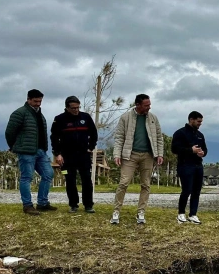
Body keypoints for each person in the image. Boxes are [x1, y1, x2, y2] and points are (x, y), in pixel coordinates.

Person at [110, 94, 164, 225]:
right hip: (130, 155)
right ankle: (116, 211)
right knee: (124, 183)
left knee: (146, 184)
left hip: (148, 156)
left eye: (149, 105)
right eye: (146, 105)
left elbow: (159, 137)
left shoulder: (153, 118)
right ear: (138, 105)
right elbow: (119, 137)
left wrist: (160, 154)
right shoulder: (125, 118)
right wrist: (117, 154)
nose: (149, 107)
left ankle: (141, 212)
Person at [5, 88, 56, 215]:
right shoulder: (19, 113)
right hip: (26, 151)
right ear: (28, 99)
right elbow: (9, 132)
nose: (38, 103)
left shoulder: (40, 115)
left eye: (40, 101)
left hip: (40, 151)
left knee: (48, 174)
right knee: (27, 177)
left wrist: (44, 148)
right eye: (35, 101)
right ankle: (27, 205)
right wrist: (14, 146)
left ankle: (42, 203)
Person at [50, 96, 98, 213]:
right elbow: (54, 138)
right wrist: (57, 154)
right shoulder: (59, 119)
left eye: (78, 107)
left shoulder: (85, 117)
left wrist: (90, 147)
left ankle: (88, 205)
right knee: (70, 179)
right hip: (67, 157)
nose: (76, 110)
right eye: (73, 108)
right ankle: (73, 204)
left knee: (86, 179)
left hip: (83, 155)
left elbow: (94, 134)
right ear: (67, 108)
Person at [171, 111, 208, 224]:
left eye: (201, 122)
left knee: (196, 191)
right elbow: (174, 149)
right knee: (186, 190)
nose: (200, 124)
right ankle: (181, 213)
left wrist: (202, 153)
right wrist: (190, 150)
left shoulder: (200, 135)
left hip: (198, 165)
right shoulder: (180, 133)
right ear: (191, 119)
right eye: (198, 121)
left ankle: (193, 214)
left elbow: (205, 150)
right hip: (185, 165)